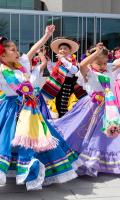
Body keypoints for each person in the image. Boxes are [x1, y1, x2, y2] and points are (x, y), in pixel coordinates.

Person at [0, 23, 82, 190]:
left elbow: (34, 48)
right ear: (3, 55)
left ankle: (30, 168)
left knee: (36, 139)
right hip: (10, 111)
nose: (16, 51)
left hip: (31, 110)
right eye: (12, 49)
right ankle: (19, 168)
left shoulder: (23, 66)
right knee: (8, 140)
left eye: (15, 48)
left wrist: (47, 35)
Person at [53, 43, 120, 176]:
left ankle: (101, 159)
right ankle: (81, 157)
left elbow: (117, 61)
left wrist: (104, 55)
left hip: (108, 108)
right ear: (92, 61)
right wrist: (96, 53)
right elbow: (82, 65)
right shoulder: (88, 72)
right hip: (91, 107)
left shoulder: (109, 69)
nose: (103, 66)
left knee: (104, 135)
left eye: (105, 63)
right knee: (83, 131)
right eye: (99, 63)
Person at [41, 37, 86, 118]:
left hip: (67, 84)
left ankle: (65, 123)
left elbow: (74, 70)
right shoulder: (60, 62)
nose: (62, 50)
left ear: (69, 50)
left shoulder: (71, 60)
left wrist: (63, 59)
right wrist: (48, 62)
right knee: (59, 104)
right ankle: (63, 122)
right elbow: (53, 72)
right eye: (60, 48)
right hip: (60, 85)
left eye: (65, 48)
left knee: (63, 106)